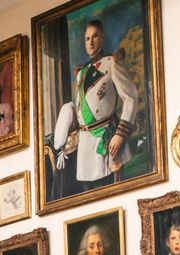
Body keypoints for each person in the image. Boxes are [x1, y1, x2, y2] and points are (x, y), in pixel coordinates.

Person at [52, 19, 139, 196]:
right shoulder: (81, 74)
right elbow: (79, 112)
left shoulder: (111, 63)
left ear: (102, 38)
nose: (90, 42)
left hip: (105, 141)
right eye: (87, 38)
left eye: (95, 36)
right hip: (85, 146)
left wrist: (120, 135)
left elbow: (130, 98)